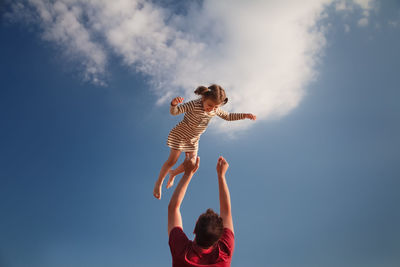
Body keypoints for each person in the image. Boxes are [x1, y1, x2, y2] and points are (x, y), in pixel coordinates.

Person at [153, 84, 256, 199]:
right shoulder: (194, 104)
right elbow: (175, 112)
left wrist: (245, 115)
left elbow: (228, 116)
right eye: (210, 105)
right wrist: (174, 104)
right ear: (203, 98)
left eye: (215, 107)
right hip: (181, 135)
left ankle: (173, 173)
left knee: (192, 164)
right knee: (172, 161)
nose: (211, 109)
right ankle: (158, 183)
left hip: (194, 139)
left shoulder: (215, 110)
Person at [168, 155, 235, 267]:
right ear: (219, 237)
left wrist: (188, 174)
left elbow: (173, 208)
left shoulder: (182, 252)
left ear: (194, 229)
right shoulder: (223, 254)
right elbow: (226, 211)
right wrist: (221, 176)